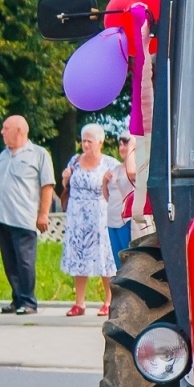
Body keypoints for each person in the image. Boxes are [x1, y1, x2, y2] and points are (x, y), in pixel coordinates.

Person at [0, 115, 54, 316]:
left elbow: (47, 186)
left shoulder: (39, 154)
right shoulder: (3, 155)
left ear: (19, 131)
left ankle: (29, 301)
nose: (2, 132)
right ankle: (17, 299)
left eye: (5, 128)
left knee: (25, 261)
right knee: (10, 261)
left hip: (24, 218)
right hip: (2, 217)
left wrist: (43, 214)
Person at [60, 123, 118, 317]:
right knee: (78, 258)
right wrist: (65, 178)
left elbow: (118, 188)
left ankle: (108, 301)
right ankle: (79, 303)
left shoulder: (109, 163)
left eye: (89, 141)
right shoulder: (75, 160)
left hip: (99, 215)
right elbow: (68, 187)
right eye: (83, 140)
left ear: (100, 142)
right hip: (77, 217)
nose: (85, 145)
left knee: (104, 258)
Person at [104, 130, 139, 260]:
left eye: (126, 144)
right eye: (120, 144)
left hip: (127, 221)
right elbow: (108, 197)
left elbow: (131, 174)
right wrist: (104, 182)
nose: (122, 148)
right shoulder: (115, 169)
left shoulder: (137, 168)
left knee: (129, 259)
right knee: (118, 261)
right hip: (112, 219)